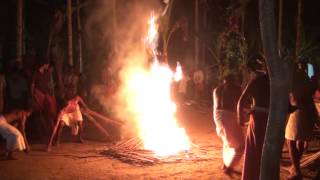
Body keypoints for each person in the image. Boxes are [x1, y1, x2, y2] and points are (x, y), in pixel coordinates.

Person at [285, 60, 317, 180]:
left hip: (300, 110)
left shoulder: (294, 76)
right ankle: (295, 167)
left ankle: (296, 172)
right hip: (308, 109)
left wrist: (291, 106)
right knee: (300, 140)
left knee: (290, 140)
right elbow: (312, 89)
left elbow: (294, 97)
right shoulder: (305, 75)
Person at [237, 66, 269, 180]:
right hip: (267, 118)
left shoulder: (256, 81)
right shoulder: (276, 83)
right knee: (263, 150)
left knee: (255, 150)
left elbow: (241, 101)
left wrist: (240, 119)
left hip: (258, 118)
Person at [213, 74, 244, 174]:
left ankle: (226, 164)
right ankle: (229, 168)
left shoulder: (216, 89)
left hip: (217, 115)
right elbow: (242, 103)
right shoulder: (236, 88)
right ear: (233, 80)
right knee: (240, 146)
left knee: (227, 141)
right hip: (228, 116)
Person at [32, 62, 57, 138]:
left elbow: (49, 85)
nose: (48, 66)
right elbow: (32, 85)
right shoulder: (36, 73)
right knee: (39, 115)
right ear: (43, 64)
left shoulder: (47, 73)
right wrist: (33, 95)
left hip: (46, 95)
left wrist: (52, 94)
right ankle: (43, 134)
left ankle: (53, 135)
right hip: (38, 95)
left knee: (50, 115)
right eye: (47, 64)